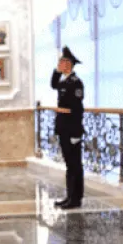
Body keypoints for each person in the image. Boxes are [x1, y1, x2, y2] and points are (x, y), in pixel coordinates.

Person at [50, 46, 85, 209]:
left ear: (68, 64)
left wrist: (76, 132)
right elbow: (53, 85)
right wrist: (56, 71)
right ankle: (69, 196)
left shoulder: (76, 83)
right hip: (64, 129)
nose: (59, 64)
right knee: (69, 165)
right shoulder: (65, 81)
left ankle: (76, 198)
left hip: (72, 130)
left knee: (75, 165)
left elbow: (77, 110)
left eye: (62, 62)